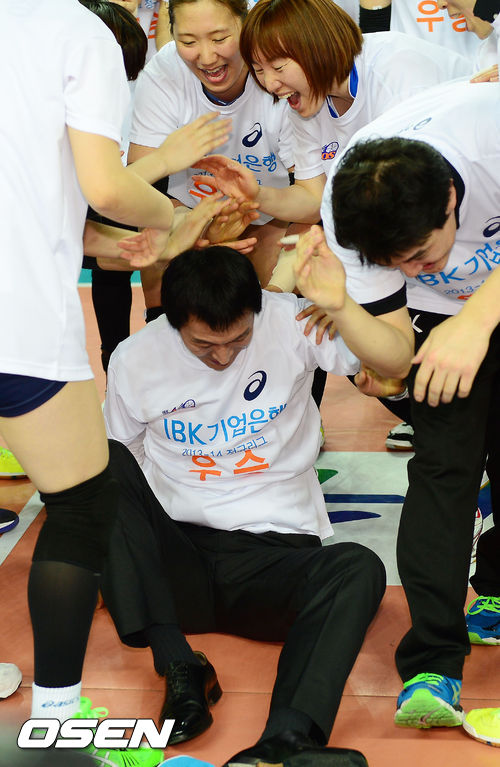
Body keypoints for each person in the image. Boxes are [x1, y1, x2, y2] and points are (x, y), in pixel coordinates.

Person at [99, 241, 413, 765]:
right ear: (172, 323)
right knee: (101, 462)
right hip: (176, 559)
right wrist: (117, 557)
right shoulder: (135, 358)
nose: (223, 356)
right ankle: (179, 664)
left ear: (258, 311)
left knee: (358, 566)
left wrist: (344, 309)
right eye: (204, 345)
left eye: (239, 339)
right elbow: (124, 460)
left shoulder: (292, 321)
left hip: (275, 557)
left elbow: (386, 360)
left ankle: (286, 741)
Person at [0, 1, 187, 764]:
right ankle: (55, 722)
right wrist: (171, 216)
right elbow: (106, 185)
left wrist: (97, 239)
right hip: (16, 317)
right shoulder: (76, 34)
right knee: (81, 501)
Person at [318, 78, 500, 742]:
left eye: (424, 252)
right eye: (400, 263)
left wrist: (476, 321)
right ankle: (431, 664)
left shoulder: (489, 136)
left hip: (481, 305)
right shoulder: (349, 206)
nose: (420, 267)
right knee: (443, 469)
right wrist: (346, 313)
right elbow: (396, 349)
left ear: (452, 198)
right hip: (439, 321)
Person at [199, 0, 472, 240]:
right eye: (259, 70)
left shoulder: (396, 72)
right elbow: (314, 199)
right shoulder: (305, 101)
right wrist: (257, 195)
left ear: (318, 48)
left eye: (278, 67)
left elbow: (419, 195)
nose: (270, 84)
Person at [128, 0, 298, 293]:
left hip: (273, 211)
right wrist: (195, 226)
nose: (207, 58)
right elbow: (137, 189)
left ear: (245, 24)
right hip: (187, 209)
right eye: (188, 42)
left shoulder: (280, 71)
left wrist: (278, 295)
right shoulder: (164, 72)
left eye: (219, 39)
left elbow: (312, 196)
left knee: (285, 297)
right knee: (159, 251)